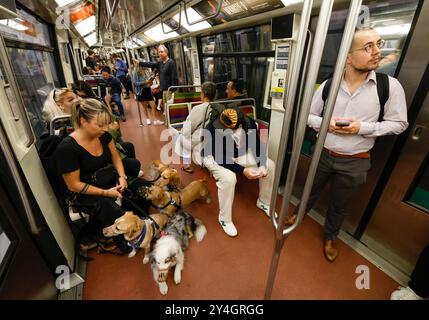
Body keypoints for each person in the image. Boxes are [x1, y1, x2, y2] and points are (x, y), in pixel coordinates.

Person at [297, 28, 408, 262]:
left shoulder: (389, 86)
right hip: (322, 154)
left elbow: (399, 123)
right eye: (368, 47)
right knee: (310, 190)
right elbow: (307, 115)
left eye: (379, 43)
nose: (377, 51)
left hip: (355, 161)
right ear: (348, 57)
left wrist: (363, 128)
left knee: (340, 204)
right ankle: (297, 215)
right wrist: (327, 124)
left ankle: (331, 236)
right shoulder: (329, 84)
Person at [54, 98, 151, 242]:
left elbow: (116, 158)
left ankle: (140, 224)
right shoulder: (67, 149)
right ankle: (126, 237)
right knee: (117, 214)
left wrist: (122, 177)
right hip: (87, 192)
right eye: (100, 125)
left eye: (106, 124)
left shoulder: (104, 136)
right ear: (83, 121)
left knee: (146, 190)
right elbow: (73, 185)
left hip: (108, 179)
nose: (105, 129)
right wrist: (106, 193)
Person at [202, 108, 275, 237]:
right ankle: (225, 219)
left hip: (237, 153)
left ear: (239, 125)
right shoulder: (212, 127)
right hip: (215, 156)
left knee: (270, 166)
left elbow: (256, 146)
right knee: (229, 178)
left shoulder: (248, 123)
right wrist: (243, 170)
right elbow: (219, 157)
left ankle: (264, 202)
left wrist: (262, 165)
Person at [173, 81, 217, 173]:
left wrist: (181, 132)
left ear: (203, 94)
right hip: (215, 137)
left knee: (178, 136)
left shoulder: (197, 109)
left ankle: (186, 165)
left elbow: (187, 130)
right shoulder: (218, 106)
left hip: (201, 139)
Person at [134, 45, 178, 112]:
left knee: (170, 108)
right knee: (166, 107)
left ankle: (171, 121)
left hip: (169, 89)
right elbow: (150, 64)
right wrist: (140, 63)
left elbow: (174, 76)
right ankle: (168, 121)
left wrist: (173, 89)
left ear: (166, 53)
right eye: (159, 52)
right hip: (163, 89)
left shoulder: (171, 62)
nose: (160, 53)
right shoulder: (160, 63)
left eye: (161, 52)